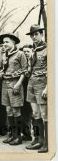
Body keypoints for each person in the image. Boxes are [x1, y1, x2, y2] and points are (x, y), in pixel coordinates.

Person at [0, 33, 27, 146]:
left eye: (7, 42)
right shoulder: (4, 54)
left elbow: (25, 70)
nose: (4, 44)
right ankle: (12, 135)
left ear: (13, 43)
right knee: (8, 110)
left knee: (16, 110)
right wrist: (1, 73)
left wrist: (19, 84)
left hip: (15, 83)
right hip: (5, 83)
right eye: (3, 42)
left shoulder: (20, 54)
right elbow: (2, 67)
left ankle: (18, 136)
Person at [25, 24, 48, 153]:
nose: (34, 37)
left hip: (42, 83)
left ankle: (47, 143)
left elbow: (52, 70)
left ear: (41, 34)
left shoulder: (47, 49)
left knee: (45, 114)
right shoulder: (33, 50)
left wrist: (47, 88)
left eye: (36, 34)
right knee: (35, 113)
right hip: (32, 83)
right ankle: (38, 139)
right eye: (32, 35)